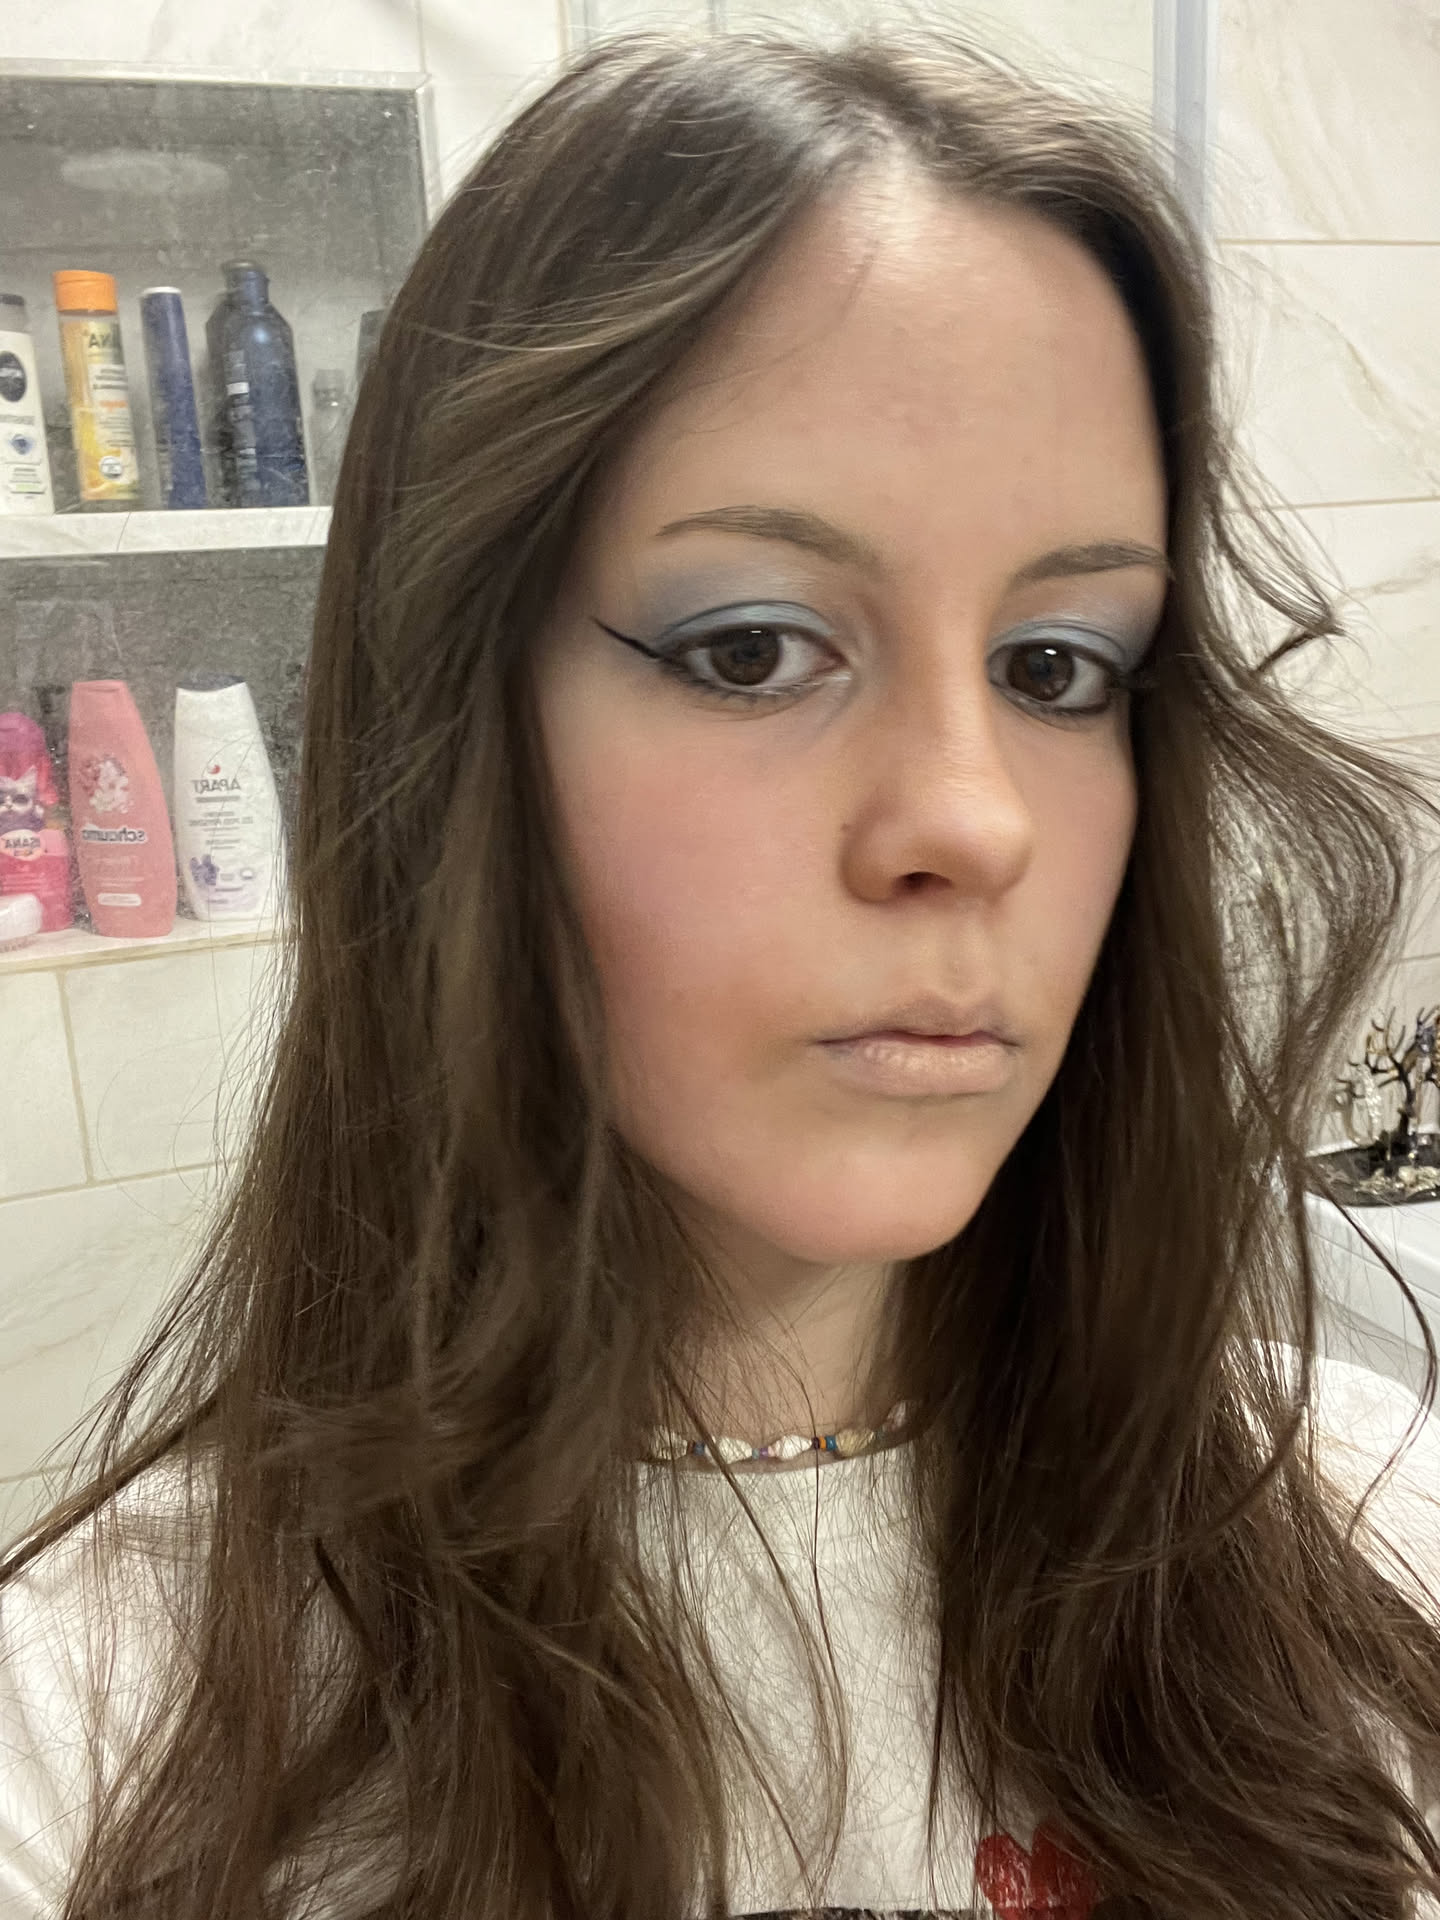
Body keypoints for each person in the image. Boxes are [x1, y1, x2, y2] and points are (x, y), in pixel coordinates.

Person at [3, 24, 1439, 1920]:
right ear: (456, 727)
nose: (973, 820)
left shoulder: (1359, 1519)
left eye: (1058, 667)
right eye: (752, 649)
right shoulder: (106, 1726)